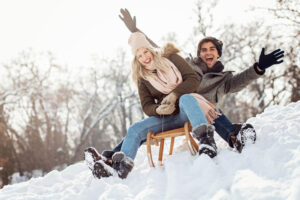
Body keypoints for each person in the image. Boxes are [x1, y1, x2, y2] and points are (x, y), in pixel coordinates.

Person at [117, 8, 284, 148]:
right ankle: (113, 156)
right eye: (203, 49)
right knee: (140, 128)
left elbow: (241, 80)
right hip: (178, 110)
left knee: (214, 111)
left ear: (218, 54)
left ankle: (235, 138)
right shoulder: (185, 65)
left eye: (212, 49)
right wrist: (136, 32)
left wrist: (259, 68)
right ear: (199, 53)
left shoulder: (223, 80)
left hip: (205, 115)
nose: (208, 52)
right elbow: (155, 51)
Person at [85, 32, 243, 179]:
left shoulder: (172, 58)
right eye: (139, 55)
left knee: (186, 98)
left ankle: (207, 142)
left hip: (187, 111)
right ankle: (119, 168)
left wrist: (174, 94)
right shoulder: (143, 78)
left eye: (145, 51)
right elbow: (146, 105)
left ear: (151, 50)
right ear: (136, 59)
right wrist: (157, 109)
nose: (144, 57)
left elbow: (193, 80)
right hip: (166, 117)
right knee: (135, 129)